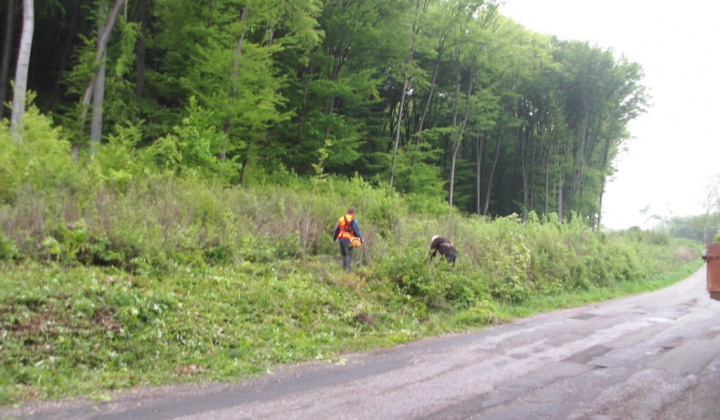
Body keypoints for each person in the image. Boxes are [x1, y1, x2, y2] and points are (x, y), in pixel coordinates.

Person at [333, 207, 364, 272]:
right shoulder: (353, 221)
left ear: (347, 212)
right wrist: (361, 239)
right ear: (353, 213)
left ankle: (344, 269)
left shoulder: (341, 219)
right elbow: (356, 231)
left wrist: (334, 237)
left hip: (341, 239)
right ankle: (348, 271)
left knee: (344, 254)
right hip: (348, 240)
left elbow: (337, 229)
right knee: (349, 255)